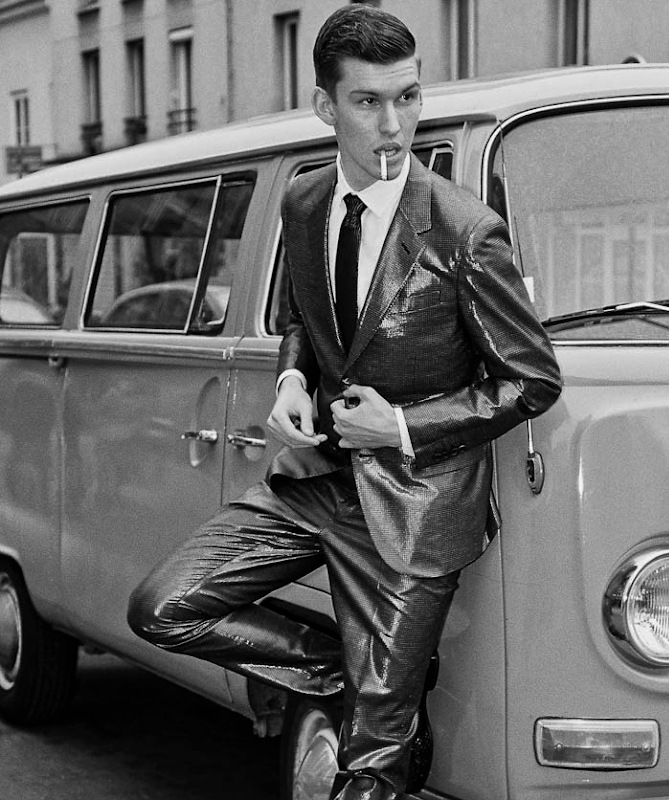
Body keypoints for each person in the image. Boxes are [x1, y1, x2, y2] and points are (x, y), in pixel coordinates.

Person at [127, 6, 562, 800]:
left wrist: (398, 426)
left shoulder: (465, 231)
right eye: (368, 101)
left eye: (408, 97)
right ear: (326, 106)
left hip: (415, 507)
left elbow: (533, 378)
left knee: (370, 775)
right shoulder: (304, 202)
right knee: (164, 608)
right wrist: (292, 380)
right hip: (314, 482)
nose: (393, 124)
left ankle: (382, 709)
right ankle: (358, 683)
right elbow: (305, 315)